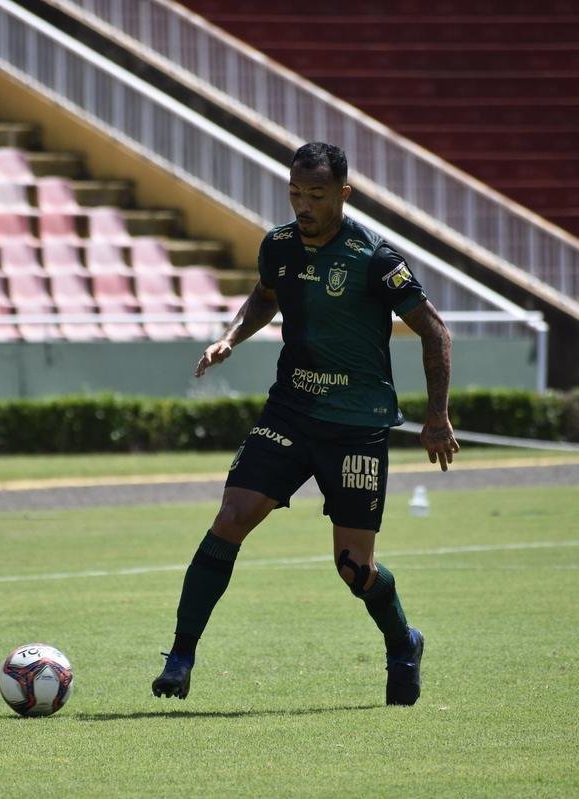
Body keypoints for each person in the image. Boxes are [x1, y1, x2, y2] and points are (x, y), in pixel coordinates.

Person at [151, 143, 458, 706]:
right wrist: (231, 337)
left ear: (344, 193)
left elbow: (435, 331)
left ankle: (402, 642)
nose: (303, 205)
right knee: (231, 517)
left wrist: (436, 415)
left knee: (354, 568)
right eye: (295, 193)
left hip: (357, 425)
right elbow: (265, 296)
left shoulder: (375, 258)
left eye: (316, 195)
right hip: (290, 412)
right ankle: (180, 656)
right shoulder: (279, 245)